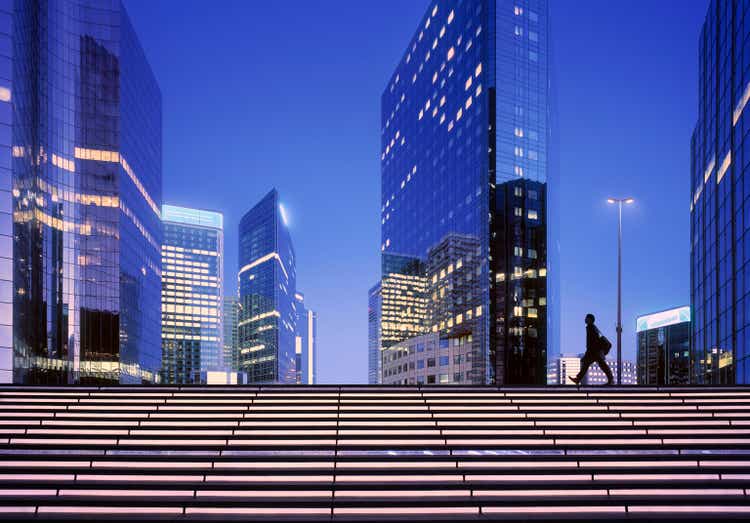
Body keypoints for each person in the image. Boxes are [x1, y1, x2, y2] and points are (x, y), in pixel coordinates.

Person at [569, 313, 614, 386]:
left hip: (595, 351)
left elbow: (592, 342)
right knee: (595, 364)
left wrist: (588, 353)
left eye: (586, 318)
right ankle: (578, 379)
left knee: (598, 364)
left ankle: (611, 380)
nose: (585, 319)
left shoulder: (591, 328)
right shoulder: (592, 327)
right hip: (595, 351)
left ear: (590, 320)